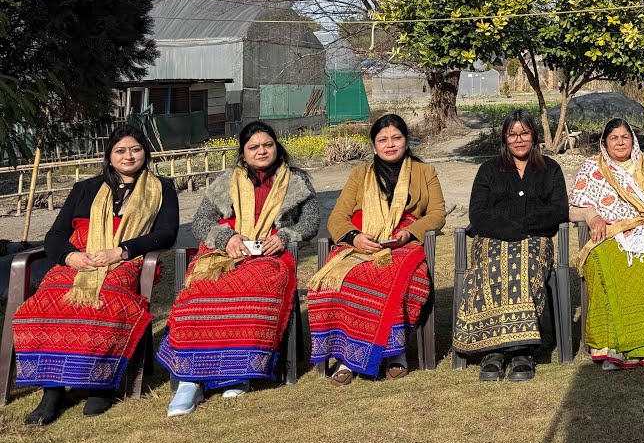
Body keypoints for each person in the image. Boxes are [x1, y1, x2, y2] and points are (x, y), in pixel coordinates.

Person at [13, 126, 178, 425]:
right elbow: (56, 235)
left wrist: (121, 251)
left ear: (146, 152)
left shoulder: (161, 188)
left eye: (135, 149)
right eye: (120, 150)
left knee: (107, 300)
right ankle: (52, 390)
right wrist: (70, 256)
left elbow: (167, 234)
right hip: (79, 258)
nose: (128, 156)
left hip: (123, 260)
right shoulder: (86, 188)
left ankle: (100, 384)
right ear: (109, 156)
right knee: (48, 301)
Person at [159, 121, 320, 416]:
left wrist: (284, 236)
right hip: (227, 252)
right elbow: (201, 223)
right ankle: (190, 379)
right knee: (200, 291)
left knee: (254, 288)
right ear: (243, 153)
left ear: (277, 146)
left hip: (270, 255)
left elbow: (310, 223)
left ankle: (237, 374)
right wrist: (227, 237)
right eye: (254, 147)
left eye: (267, 145)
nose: (262, 151)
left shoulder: (296, 181)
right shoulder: (226, 181)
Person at [307, 114, 445, 385]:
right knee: (339, 281)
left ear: (407, 141)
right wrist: (355, 237)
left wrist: (410, 232)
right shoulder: (360, 175)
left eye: (396, 138)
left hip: (404, 245)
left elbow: (438, 213)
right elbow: (337, 217)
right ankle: (348, 356)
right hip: (362, 243)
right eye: (383, 139)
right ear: (374, 145)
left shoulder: (424, 172)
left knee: (404, 280)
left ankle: (396, 354)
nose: (390, 144)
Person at [455, 109, 569, 382]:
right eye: (512, 134)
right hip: (491, 238)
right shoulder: (489, 170)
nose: (519, 140)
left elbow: (558, 211)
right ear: (505, 138)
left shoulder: (550, 169)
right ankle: (493, 351)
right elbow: (478, 214)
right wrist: (510, 229)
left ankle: (521, 350)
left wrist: (524, 227)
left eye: (524, 133)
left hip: (536, 241)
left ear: (534, 136)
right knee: (495, 262)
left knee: (523, 262)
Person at [569, 118, 644, 370]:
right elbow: (575, 206)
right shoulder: (593, 168)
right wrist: (593, 216)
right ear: (605, 143)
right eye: (614, 138)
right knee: (605, 263)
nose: (620, 142)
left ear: (632, 140)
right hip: (611, 233)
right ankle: (611, 346)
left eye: (625, 137)